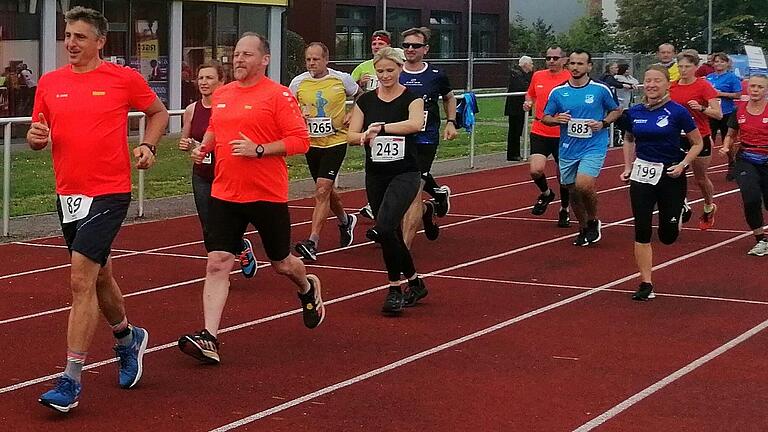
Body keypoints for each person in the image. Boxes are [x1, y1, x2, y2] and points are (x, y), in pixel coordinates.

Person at [27, 6, 169, 412]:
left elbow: (157, 111)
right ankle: (128, 338)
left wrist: (148, 144)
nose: (71, 43)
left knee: (79, 278)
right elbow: (39, 135)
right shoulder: (51, 83)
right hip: (69, 194)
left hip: (109, 192)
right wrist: (37, 137)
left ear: (100, 41)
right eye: (68, 36)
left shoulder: (122, 79)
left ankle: (70, 380)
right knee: (100, 276)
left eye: (80, 37)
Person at [178, 33, 324, 364]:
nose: (238, 59)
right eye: (236, 54)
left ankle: (306, 287)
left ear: (264, 60)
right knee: (217, 262)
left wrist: (259, 150)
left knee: (281, 263)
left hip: (266, 193)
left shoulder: (278, 96)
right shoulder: (224, 94)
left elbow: (300, 141)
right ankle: (209, 337)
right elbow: (216, 126)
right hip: (225, 191)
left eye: (246, 54)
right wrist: (204, 148)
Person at [347, 47, 428, 314]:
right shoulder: (366, 101)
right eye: (380, 71)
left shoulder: (412, 98)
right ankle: (415, 282)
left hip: (405, 172)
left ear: (400, 69)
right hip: (376, 172)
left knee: (384, 227)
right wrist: (363, 137)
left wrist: (381, 128)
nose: (385, 75)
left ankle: (394, 288)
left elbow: (415, 124)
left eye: (390, 70)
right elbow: (351, 135)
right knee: (389, 231)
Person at [619, 65, 703, 301]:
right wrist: (627, 166)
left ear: (667, 84)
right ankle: (646, 282)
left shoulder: (678, 112)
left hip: (671, 175)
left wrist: (683, 165)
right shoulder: (635, 112)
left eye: (657, 80)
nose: (652, 85)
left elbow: (697, 143)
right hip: (642, 174)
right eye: (648, 80)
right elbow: (628, 138)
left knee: (667, 236)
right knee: (642, 229)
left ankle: (681, 207)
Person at [178, 62, 257, 277]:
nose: (203, 82)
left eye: (209, 78)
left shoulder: (231, 107)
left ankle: (230, 258)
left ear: (222, 81)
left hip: (226, 174)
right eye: (201, 78)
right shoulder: (192, 109)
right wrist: (187, 146)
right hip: (202, 174)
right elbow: (186, 139)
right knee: (208, 226)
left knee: (225, 223)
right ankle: (230, 255)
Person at [542, 49, 622, 246]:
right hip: (568, 147)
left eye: (580, 64)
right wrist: (556, 119)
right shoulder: (558, 92)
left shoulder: (600, 89)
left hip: (593, 145)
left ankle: (593, 220)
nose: (576, 67)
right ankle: (583, 226)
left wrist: (603, 123)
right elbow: (544, 117)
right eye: (573, 63)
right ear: (568, 65)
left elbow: (616, 111)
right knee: (573, 192)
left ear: (589, 66)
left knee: (584, 185)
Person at [289, 42, 360, 261]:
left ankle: (312, 241)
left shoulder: (342, 79)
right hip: (312, 143)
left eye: (316, 59)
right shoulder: (298, 82)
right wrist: (300, 115)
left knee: (321, 190)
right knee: (325, 190)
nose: (312, 63)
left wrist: (353, 113)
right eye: (308, 59)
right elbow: (289, 108)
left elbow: (362, 96)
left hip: (336, 141)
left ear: (326, 59)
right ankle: (345, 221)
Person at [398, 27, 458, 248]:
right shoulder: (395, 72)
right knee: (398, 189)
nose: (410, 49)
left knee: (414, 189)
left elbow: (449, 98)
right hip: (398, 138)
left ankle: (404, 246)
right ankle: (429, 207)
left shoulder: (436, 75)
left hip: (425, 139)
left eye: (415, 45)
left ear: (426, 49)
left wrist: (451, 122)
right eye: (406, 45)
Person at [670, 49, 723, 230]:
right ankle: (680, 204)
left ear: (696, 67)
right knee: (674, 174)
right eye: (681, 66)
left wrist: (701, 108)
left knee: (700, 179)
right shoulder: (672, 86)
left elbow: (718, 114)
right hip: (677, 137)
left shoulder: (703, 86)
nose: (684, 70)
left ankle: (709, 206)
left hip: (699, 137)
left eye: (687, 66)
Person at [523, 47, 573, 227]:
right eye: (548, 58)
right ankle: (546, 194)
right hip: (540, 129)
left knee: (564, 177)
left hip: (563, 132)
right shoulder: (538, 75)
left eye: (555, 58)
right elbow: (530, 93)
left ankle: (565, 209)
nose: (551, 61)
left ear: (564, 60)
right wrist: (528, 101)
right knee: (535, 170)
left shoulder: (569, 78)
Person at [720, 74, 768, 256]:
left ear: (766, 90)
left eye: (760, 87)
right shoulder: (739, 110)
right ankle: (760, 239)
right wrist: (725, 147)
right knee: (751, 197)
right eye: (753, 86)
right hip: (747, 158)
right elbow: (731, 134)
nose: (755, 90)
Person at [705, 52, 742, 180]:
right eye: (716, 61)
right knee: (708, 139)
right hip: (712, 112)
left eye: (722, 61)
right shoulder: (709, 77)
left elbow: (738, 95)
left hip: (727, 112)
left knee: (728, 140)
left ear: (727, 63)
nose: (719, 64)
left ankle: (732, 163)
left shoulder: (732, 77)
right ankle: (703, 166)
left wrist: (721, 93)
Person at [505, 56, 534, 161]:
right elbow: (523, 86)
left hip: (521, 107)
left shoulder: (526, 75)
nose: (532, 65)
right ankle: (512, 154)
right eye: (531, 63)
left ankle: (516, 153)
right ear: (525, 64)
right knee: (514, 131)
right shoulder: (516, 74)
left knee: (519, 130)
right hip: (515, 107)